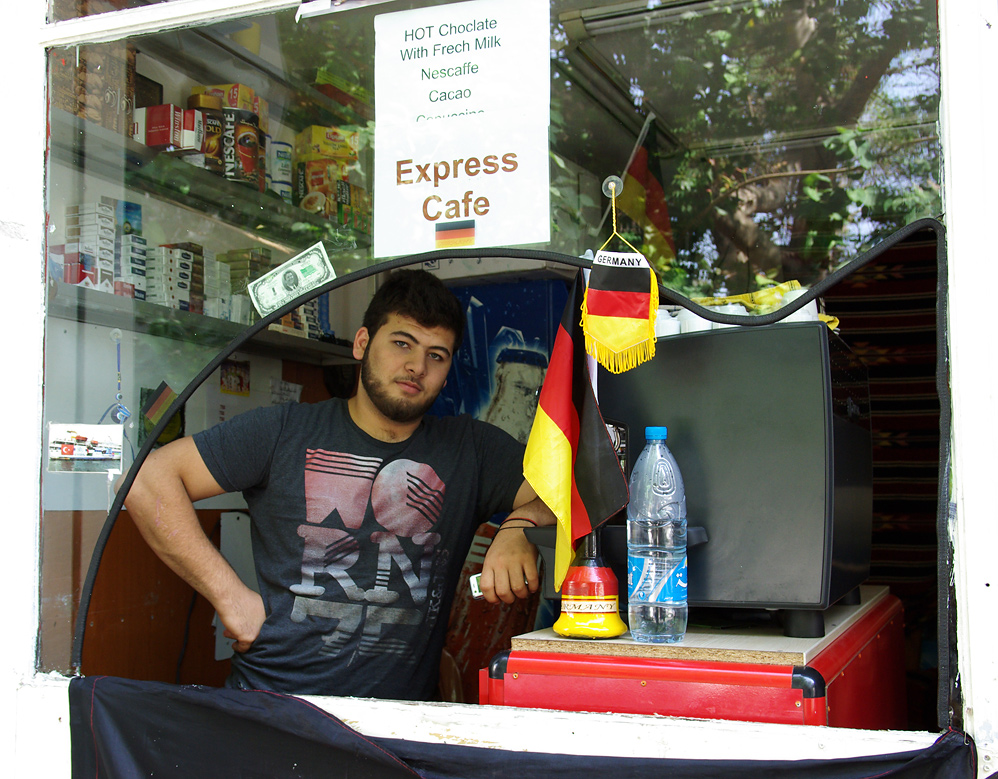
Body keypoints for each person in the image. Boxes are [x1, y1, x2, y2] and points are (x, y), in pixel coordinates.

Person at [123, 269, 554, 701]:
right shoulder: (285, 431)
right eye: (401, 343)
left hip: (398, 725)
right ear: (363, 343)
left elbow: (570, 495)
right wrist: (229, 595)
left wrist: (519, 526)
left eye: (436, 355)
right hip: (272, 707)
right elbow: (148, 479)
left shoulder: (470, 449)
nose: (416, 367)